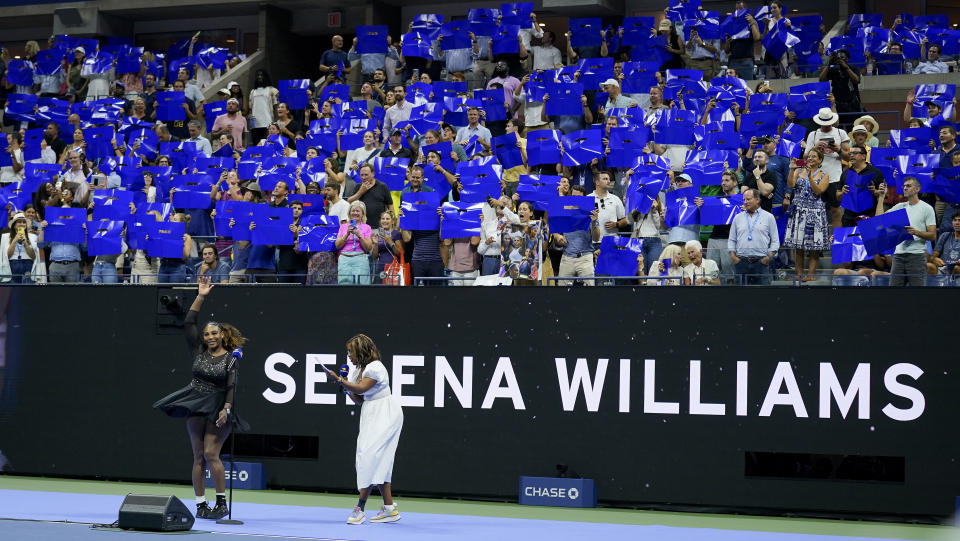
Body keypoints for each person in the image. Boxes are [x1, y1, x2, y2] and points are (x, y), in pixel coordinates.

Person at [153, 277, 248, 520]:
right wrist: (201, 296)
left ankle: (221, 503)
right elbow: (189, 321)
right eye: (206, 334)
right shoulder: (198, 350)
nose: (209, 336)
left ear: (222, 334)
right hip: (195, 400)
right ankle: (200, 505)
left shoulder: (231, 358)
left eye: (214, 333)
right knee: (197, 456)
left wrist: (226, 408)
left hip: (218, 406)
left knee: (211, 453)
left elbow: (231, 386)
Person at [321, 334, 403, 525]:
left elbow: (361, 389)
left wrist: (340, 381)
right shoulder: (357, 370)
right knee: (379, 460)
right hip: (370, 412)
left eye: (351, 351)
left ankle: (359, 508)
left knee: (369, 456)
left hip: (386, 413)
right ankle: (390, 509)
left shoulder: (376, 368)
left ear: (361, 351)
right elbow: (359, 399)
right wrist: (342, 386)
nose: (348, 355)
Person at [874, 178, 937, 286]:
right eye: (904, 186)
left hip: (916, 256)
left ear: (917, 189)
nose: (905, 188)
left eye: (908, 186)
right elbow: (878, 221)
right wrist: (881, 197)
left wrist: (916, 232)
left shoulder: (927, 208)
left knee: (917, 295)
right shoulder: (900, 207)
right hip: (898, 256)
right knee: (895, 295)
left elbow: (932, 235)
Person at [783, 149, 829, 282]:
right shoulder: (798, 171)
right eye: (809, 156)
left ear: (820, 160)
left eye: (814, 156)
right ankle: (799, 273)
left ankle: (811, 273)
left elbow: (818, 191)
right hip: (799, 211)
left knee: (814, 246)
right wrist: (792, 169)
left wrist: (809, 177)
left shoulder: (824, 175)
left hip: (815, 212)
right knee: (799, 245)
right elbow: (790, 185)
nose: (810, 158)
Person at [805, 107, 849, 227]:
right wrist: (815, 147)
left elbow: (849, 157)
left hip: (835, 177)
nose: (825, 126)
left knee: (836, 211)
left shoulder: (841, 133)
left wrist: (838, 150)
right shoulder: (813, 135)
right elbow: (805, 157)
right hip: (815, 177)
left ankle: (836, 241)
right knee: (814, 211)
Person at [728, 188, 779, 285]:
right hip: (741, 263)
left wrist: (767, 258)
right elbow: (732, 240)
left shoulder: (769, 217)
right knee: (740, 297)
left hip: (761, 263)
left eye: (748, 199)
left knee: (762, 297)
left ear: (757, 200)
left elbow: (775, 241)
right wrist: (734, 258)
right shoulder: (737, 218)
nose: (745, 202)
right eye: (744, 200)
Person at [554, 185, 601, 285]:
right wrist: (557, 236)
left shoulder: (591, 212)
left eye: (578, 197)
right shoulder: (564, 209)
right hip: (567, 257)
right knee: (561, 292)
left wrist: (593, 223)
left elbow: (596, 239)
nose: (575, 199)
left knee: (589, 291)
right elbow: (554, 228)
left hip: (585, 258)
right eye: (573, 196)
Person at [335, 201, 373, 284]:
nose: (355, 213)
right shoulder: (343, 226)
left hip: (360, 259)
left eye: (358, 211)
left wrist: (359, 235)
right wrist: (347, 234)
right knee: (344, 285)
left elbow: (368, 247)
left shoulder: (367, 227)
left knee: (362, 285)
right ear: (349, 213)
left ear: (362, 214)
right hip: (344, 259)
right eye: (353, 211)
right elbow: (337, 245)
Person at [0, 212, 43, 283]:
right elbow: (6, 256)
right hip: (12, 266)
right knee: (12, 292)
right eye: (19, 222)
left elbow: (34, 257)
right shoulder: (6, 237)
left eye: (24, 222)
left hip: (27, 265)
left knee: (27, 292)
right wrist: (14, 240)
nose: (22, 224)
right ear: (14, 225)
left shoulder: (32, 237)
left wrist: (25, 243)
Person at [818, 49, 860, 115]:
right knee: (838, 124)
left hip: (851, 103)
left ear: (847, 59)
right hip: (837, 103)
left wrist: (847, 68)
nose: (840, 59)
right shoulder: (834, 69)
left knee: (851, 124)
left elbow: (857, 80)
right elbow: (821, 80)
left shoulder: (853, 68)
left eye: (842, 57)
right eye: (838, 57)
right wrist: (829, 64)